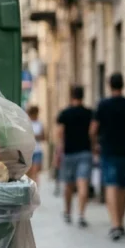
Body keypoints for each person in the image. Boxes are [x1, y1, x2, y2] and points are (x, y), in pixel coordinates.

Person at [91, 73, 125, 241]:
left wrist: (95, 146)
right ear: (123, 85)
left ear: (109, 85)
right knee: (122, 187)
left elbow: (93, 130)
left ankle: (115, 225)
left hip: (108, 150)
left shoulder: (103, 105)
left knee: (111, 186)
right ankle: (120, 223)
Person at [55, 86, 93, 227]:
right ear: (83, 96)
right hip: (85, 152)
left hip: (69, 153)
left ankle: (67, 212)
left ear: (71, 96)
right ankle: (81, 215)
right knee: (83, 184)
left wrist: (58, 153)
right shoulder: (89, 113)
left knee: (68, 185)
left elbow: (60, 134)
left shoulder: (65, 113)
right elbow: (92, 132)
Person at [26, 105, 45, 184]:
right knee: (28, 174)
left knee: (35, 173)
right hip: (28, 151)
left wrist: (33, 135)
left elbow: (43, 136)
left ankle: (35, 191)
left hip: (37, 150)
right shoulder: (27, 123)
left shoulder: (40, 123)